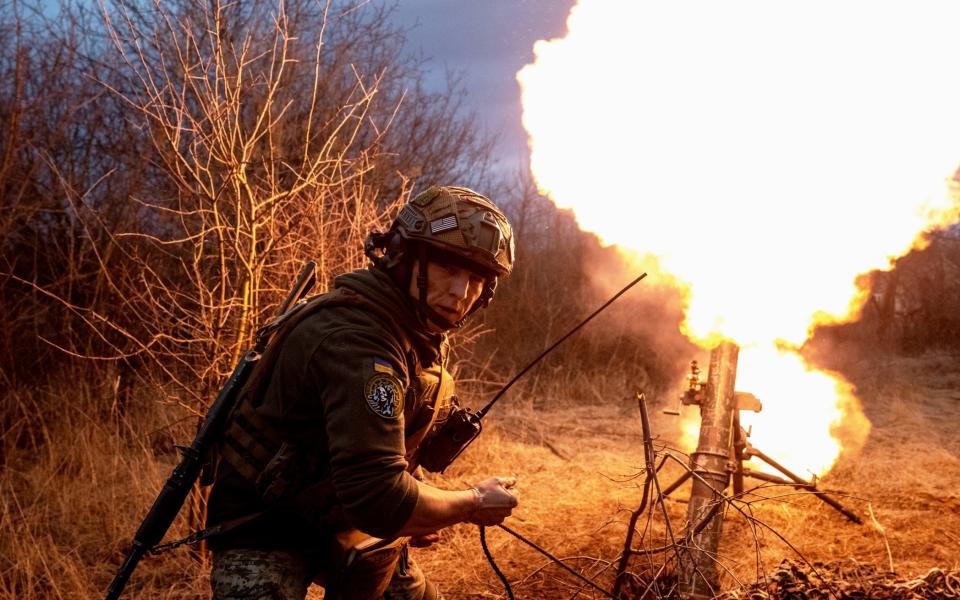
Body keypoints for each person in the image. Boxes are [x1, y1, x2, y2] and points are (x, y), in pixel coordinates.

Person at [206, 186, 519, 600]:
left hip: (343, 521)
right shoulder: (358, 342)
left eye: (477, 278)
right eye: (447, 267)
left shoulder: (411, 330)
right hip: (265, 524)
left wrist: (419, 505)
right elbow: (380, 498)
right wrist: (472, 502)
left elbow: (381, 459)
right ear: (404, 258)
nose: (461, 292)